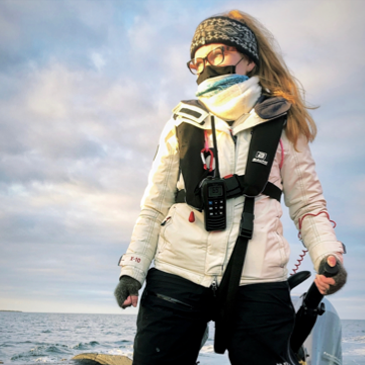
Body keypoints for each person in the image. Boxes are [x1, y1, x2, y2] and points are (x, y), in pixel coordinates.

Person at [114, 10, 347, 365]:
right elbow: (154, 206)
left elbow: (309, 206)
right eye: (197, 60)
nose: (207, 65)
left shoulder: (283, 124)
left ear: (248, 60)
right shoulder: (180, 123)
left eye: (217, 54)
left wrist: (327, 256)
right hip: (177, 274)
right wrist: (132, 270)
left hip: (260, 280)